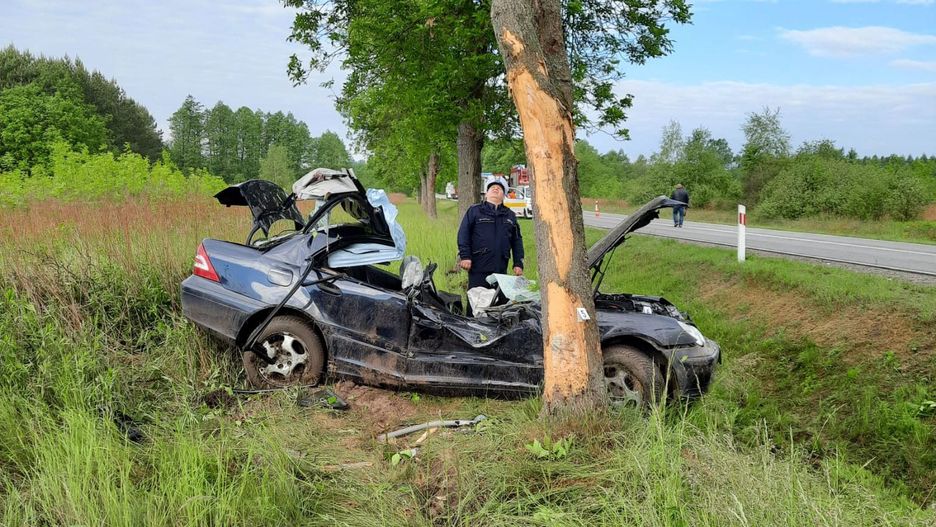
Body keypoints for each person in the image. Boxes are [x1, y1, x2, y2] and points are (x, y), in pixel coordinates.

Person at [457, 176, 524, 295]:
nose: (495, 189)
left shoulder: (510, 216)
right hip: (478, 267)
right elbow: (463, 234)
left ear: (504, 194)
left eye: (499, 188)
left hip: (500, 269)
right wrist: (465, 256)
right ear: (486, 193)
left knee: (498, 304)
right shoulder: (474, 211)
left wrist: (518, 263)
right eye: (492, 187)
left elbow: (517, 241)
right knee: (475, 303)